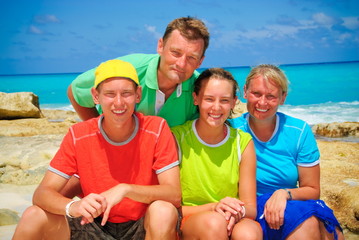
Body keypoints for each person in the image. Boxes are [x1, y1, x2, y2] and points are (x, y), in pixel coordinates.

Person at [13, 59, 181, 240]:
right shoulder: (79, 134)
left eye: (126, 93)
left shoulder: (156, 129)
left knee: (163, 211)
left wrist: (126, 190)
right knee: (33, 216)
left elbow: (173, 194)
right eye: (110, 94)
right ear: (95, 96)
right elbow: (42, 194)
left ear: (138, 94)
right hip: (92, 224)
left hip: (142, 224)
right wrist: (74, 207)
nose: (118, 102)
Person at [228, 64, 344, 240]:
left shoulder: (298, 131)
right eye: (256, 94)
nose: (262, 102)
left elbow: (312, 189)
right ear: (245, 92)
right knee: (307, 224)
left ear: (283, 97)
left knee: (327, 230)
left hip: (289, 203)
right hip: (251, 209)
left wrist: (284, 193)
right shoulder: (231, 130)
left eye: (271, 96)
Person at [68, 16, 209, 127]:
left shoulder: (201, 88)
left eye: (191, 57)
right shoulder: (127, 70)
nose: (181, 64)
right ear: (160, 46)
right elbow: (75, 91)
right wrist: (101, 130)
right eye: (176, 52)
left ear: (200, 61)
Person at [171, 68, 263, 240]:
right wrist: (214, 207)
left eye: (224, 100)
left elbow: (250, 207)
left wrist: (235, 212)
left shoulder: (242, 142)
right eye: (209, 99)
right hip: (192, 220)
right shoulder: (177, 138)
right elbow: (172, 207)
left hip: (231, 215)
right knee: (214, 223)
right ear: (195, 98)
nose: (216, 107)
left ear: (234, 102)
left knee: (248, 233)